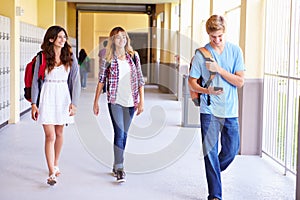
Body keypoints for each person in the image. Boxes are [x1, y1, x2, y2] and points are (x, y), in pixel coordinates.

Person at [189, 15, 245, 200]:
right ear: (208, 34)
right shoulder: (201, 54)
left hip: (230, 110)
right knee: (210, 152)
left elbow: (240, 81)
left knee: (231, 150)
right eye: (213, 37)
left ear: (224, 32)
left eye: (220, 36)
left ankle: (213, 171)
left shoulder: (235, 51)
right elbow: (192, 83)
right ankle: (215, 195)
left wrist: (219, 70)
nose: (217, 40)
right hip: (209, 110)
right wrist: (207, 91)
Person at [93, 26, 145, 183]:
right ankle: (120, 168)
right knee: (120, 133)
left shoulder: (133, 56)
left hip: (131, 101)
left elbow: (140, 79)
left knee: (125, 134)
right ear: (113, 41)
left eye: (123, 36)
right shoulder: (108, 59)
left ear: (127, 39)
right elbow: (101, 80)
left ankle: (117, 164)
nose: (121, 39)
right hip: (115, 100)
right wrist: (95, 102)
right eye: (117, 37)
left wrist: (142, 101)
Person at [31, 25, 81, 186]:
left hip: (63, 96)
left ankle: (55, 162)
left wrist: (74, 103)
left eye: (64, 37)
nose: (63, 39)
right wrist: (33, 103)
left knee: (59, 132)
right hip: (47, 95)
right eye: (59, 37)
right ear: (51, 39)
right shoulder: (42, 57)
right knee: (50, 135)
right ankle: (51, 172)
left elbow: (75, 81)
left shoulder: (70, 57)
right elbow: (35, 83)